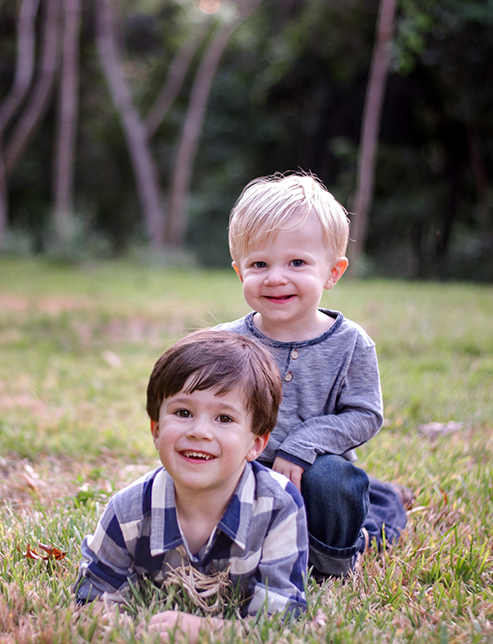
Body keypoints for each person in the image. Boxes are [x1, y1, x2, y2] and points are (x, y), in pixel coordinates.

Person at [216, 170, 409, 579]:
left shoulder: (351, 343)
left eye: (297, 262)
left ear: (333, 272)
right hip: (246, 471)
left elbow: (365, 415)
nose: (276, 277)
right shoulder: (226, 342)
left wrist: (303, 444)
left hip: (312, 473)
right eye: (260, 264)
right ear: (240, 272)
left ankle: (331, 562)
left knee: (338, 480)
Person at [74, 329, 308, 642]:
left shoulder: (278, 506)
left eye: (224, 419)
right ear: (156, 430)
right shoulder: (127, 511)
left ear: (256, 444)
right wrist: (125, 629)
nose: (199, 432)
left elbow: (282, 619)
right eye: (183, 413)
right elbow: (92, 598)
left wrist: (206, 630)